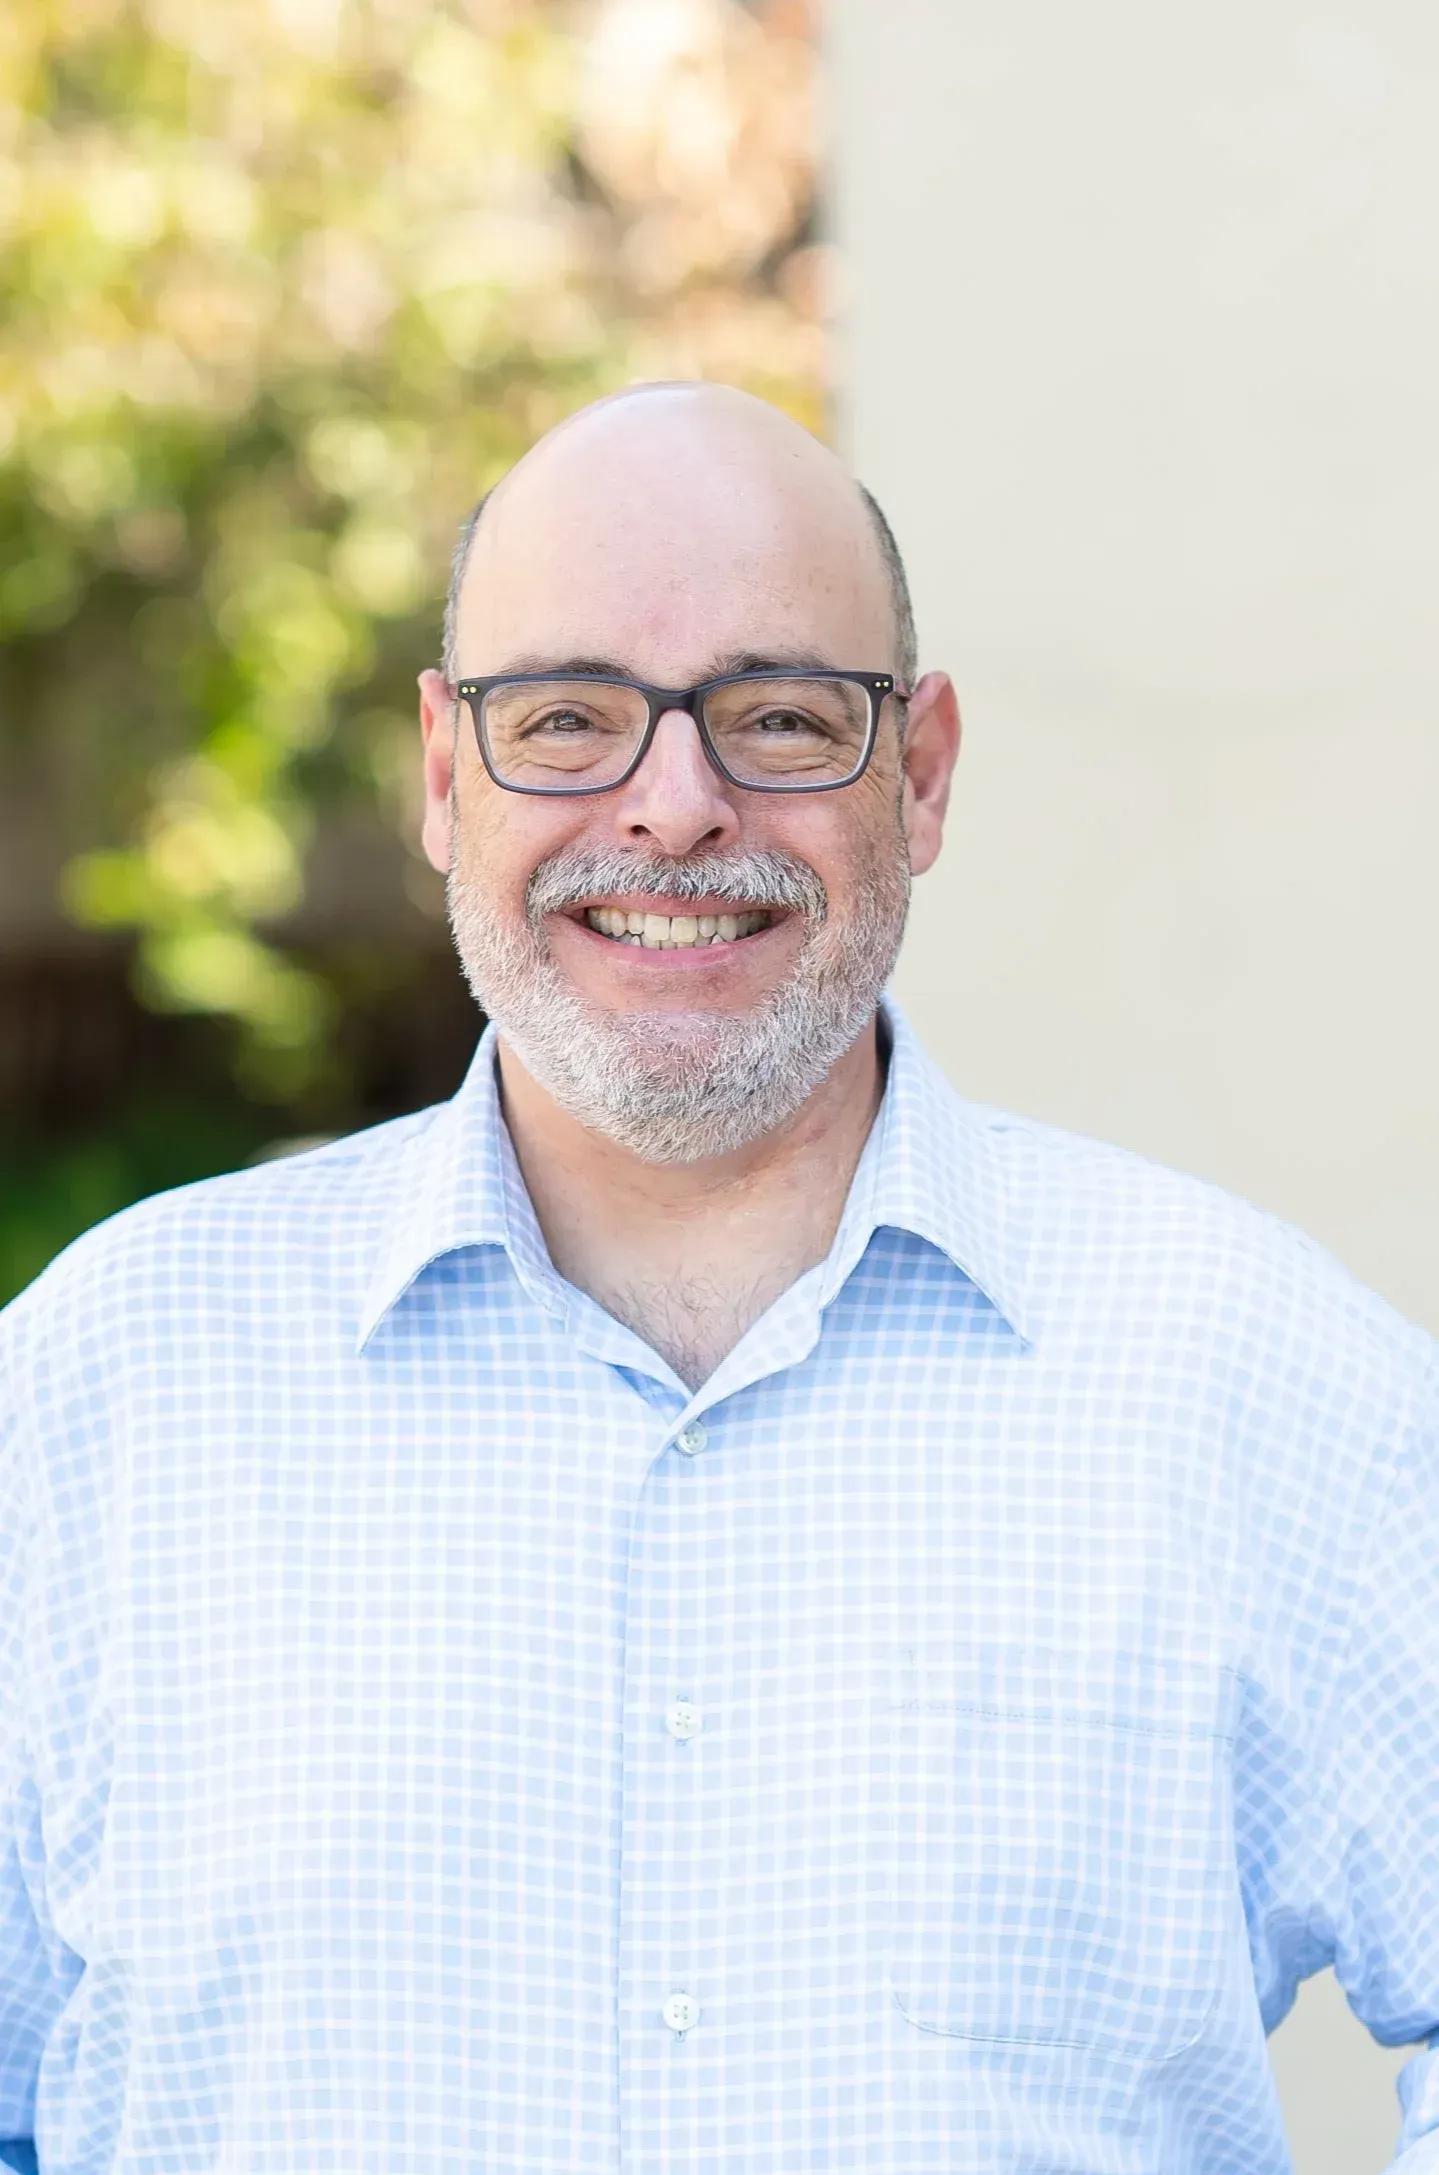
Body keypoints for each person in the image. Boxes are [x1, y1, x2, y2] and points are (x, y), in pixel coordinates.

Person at [0, 381, 1435, 2175]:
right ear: (446, 776)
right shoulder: (99, 1393)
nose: (673, 807)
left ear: (918, 775)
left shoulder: (1261, 1378)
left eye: (777, 716)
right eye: (570, 717)